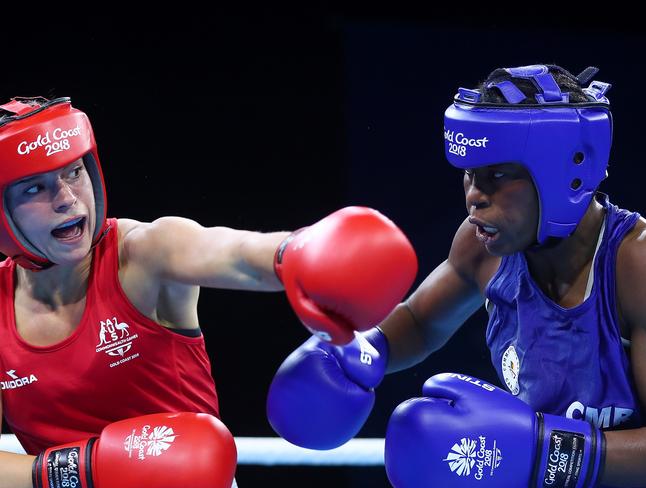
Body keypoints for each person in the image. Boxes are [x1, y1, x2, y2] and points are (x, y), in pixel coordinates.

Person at [0, 96, 418, 488]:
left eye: (74, 172)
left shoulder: (143, 254)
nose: (68, 198)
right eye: (35, 188)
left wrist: (301, 253)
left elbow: (235, 254)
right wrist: (83, 469)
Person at [266, 65, 646, 487]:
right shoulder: (481, 246)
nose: (474, 196)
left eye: (497, 175)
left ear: (565, 172)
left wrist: (544, 451)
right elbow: (419, 322)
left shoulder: (637, 265)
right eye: (469, 174)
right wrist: (359, 350)